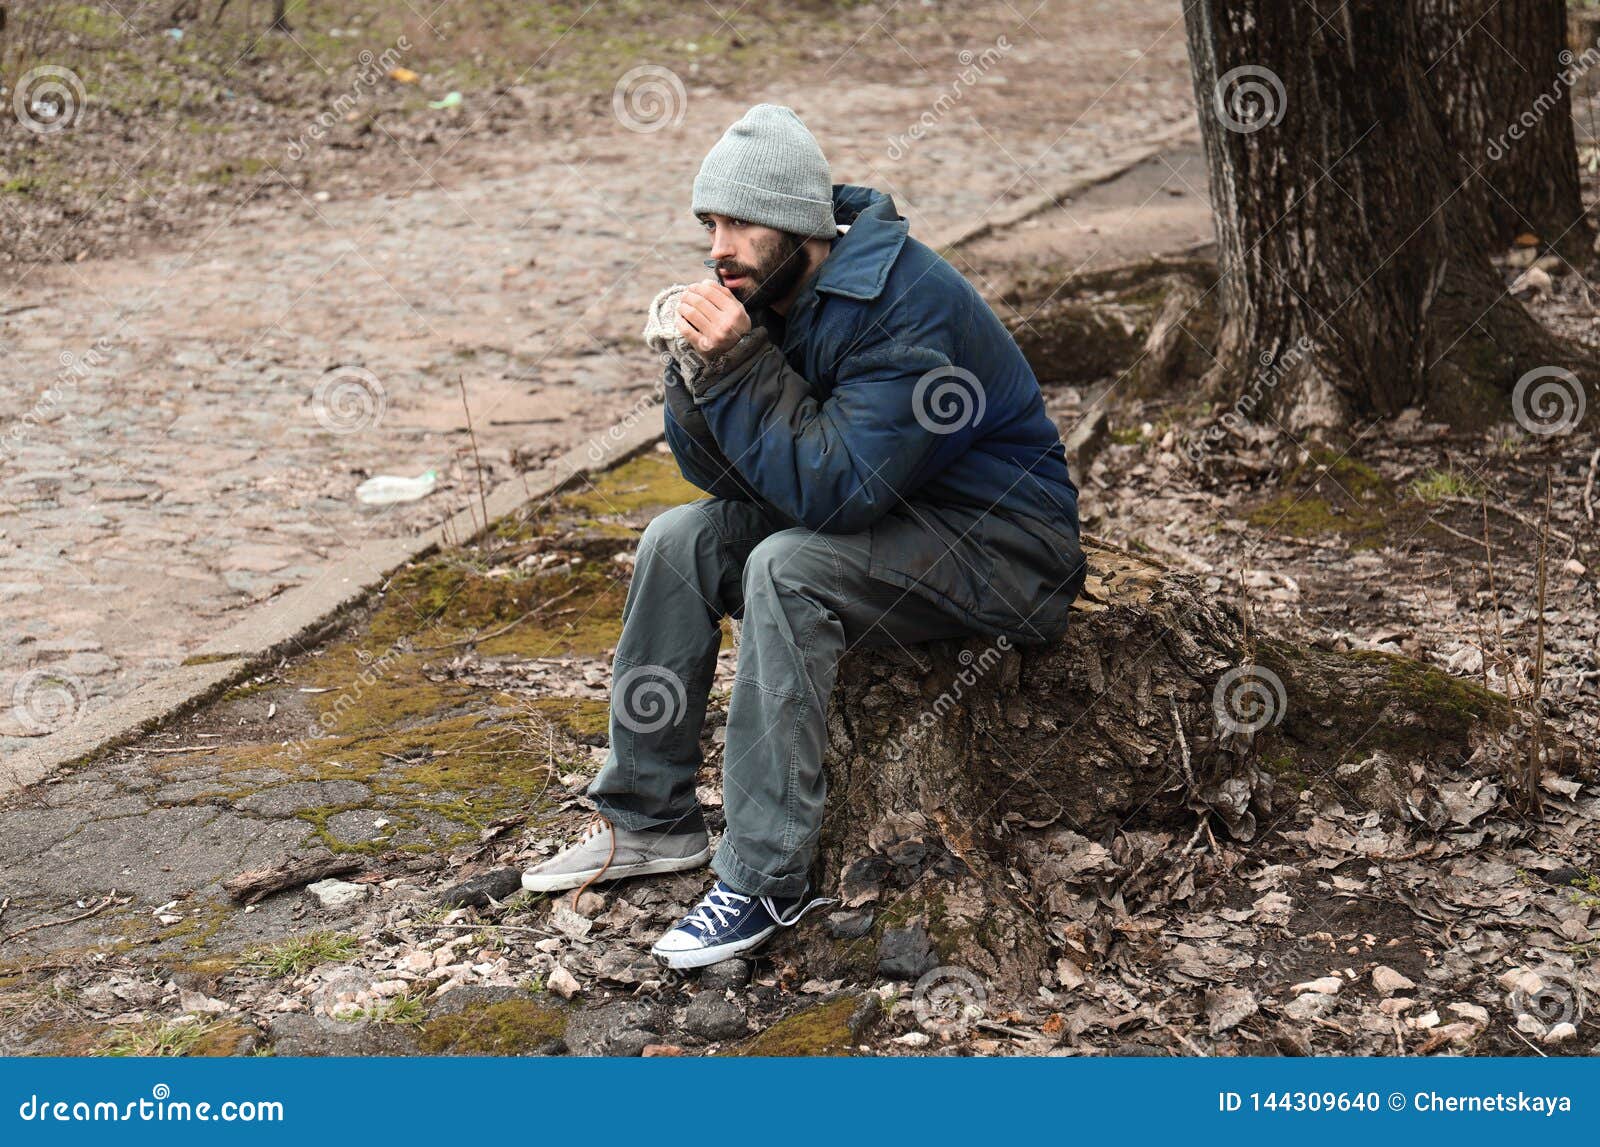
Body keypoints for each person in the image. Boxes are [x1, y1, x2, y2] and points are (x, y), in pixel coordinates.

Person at [522, 104, 1086, 970]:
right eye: (710, 223)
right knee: (680, 540)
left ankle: (762, 880)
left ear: (798, 227)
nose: (719, 245)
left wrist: (740, 365)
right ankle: (649, 819)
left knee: (787, 569)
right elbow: (728, 479)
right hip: (898, 511)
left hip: (1005, 543)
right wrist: (696, 370)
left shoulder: (905, 307)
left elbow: (839, 490)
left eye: (740, 223)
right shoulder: (781, 287)